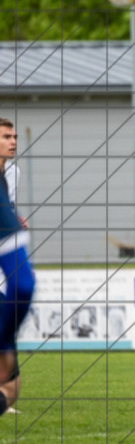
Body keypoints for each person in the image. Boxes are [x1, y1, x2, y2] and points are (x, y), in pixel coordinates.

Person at [0, 117, 36, 413]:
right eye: (6, 136)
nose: (13, 142)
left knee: (13, 390)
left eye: (14, 137)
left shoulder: (13, 172)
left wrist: (14, 218)